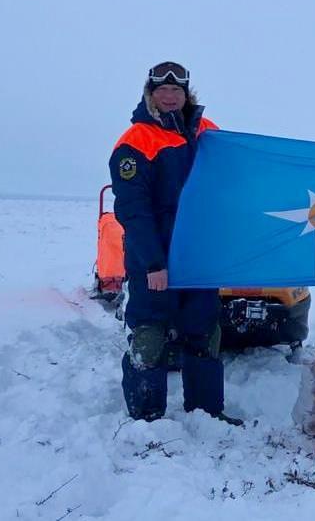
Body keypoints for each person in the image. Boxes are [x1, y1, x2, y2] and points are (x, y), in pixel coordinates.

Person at [109, 60, 241, 425]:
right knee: (150, 338)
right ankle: (147, 419)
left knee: (204, 334)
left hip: (199, 257)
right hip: (156, 260)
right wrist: (154, 263)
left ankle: (206, 412)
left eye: (176, 90)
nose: (170, 97)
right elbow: (134, 211)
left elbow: (236, 176)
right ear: (151, 94)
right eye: (162, 90)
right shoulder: (135, 142)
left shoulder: (207, 133)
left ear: (187, 94)